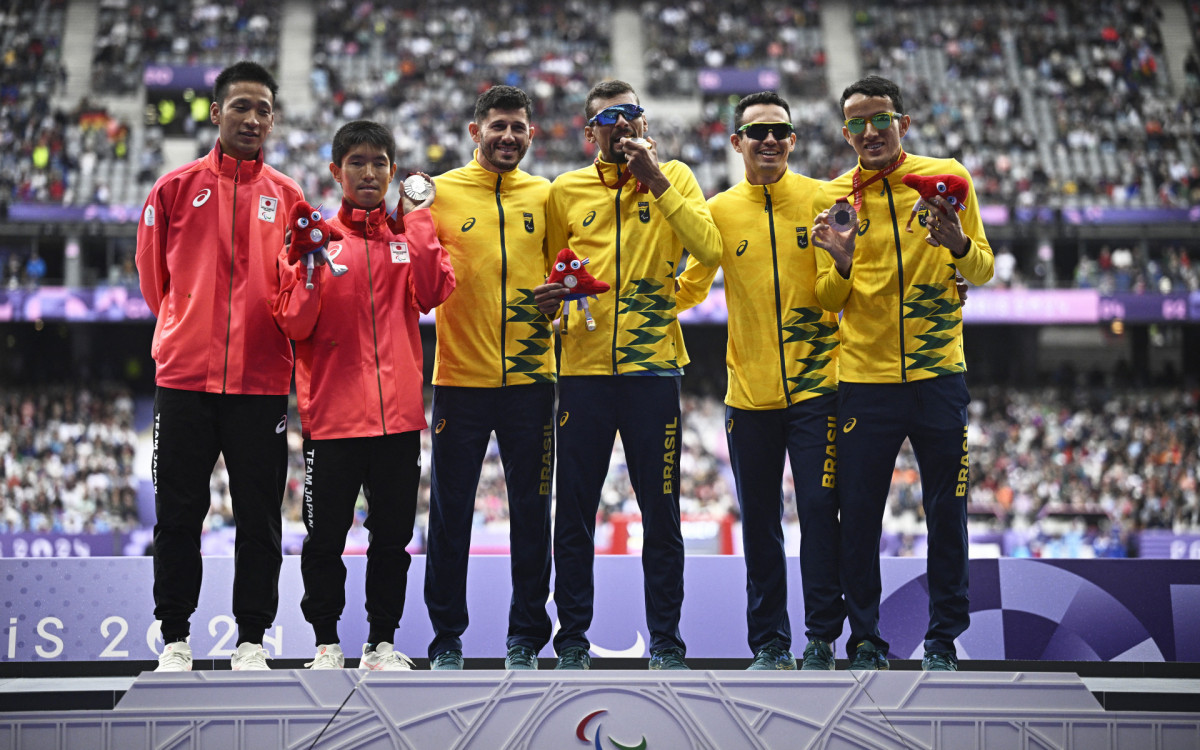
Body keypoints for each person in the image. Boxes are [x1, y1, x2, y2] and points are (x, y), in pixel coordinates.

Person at [534, 80, 722, 671]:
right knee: (575, 514)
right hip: (583, 374)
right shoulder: (565, 190)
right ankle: (571, 642)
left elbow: (709, 249)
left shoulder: (678, 176)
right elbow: (551, 273)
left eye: (631, 116)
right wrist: (551, 304)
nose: (621, 126)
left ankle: (666, 641)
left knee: (661, 513)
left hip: (652, 373)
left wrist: (658, 180)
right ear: (588, 131)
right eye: (607, 119)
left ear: (643, 124)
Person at [811, 75, 994, 672]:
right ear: (845, 132)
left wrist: (960, 246)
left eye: (880, 119)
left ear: (902, 124)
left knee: (948, 508)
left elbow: (985, 269)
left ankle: (943, 639)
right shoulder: (835, 196)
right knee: (859, 514)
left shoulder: (949, 178)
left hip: (940, 374)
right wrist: (839, 262)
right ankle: (864, 637)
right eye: (857, 123)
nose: (870, 132)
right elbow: (827, 296)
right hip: (864, 380)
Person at [136, 61, 304, 672]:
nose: (253, 119)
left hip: (261, 383)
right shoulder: (174, 189)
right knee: (179, 513)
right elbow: (156, 284)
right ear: (215, 112)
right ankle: (175, 637)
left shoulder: (289, 197)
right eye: (241, 106)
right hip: (183, 380)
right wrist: (188, 328)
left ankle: (252, 641)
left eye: (263, 109)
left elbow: (298, 288)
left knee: (259, 519)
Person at [273, 119, 456, 671]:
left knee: (392, 542)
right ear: (336, 172)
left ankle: (383, 643)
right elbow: (293, 323)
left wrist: (419, 218)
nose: (370, 172)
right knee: (324, 540)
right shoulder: (315, 238)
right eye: (357, 162)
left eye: (380, 162)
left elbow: (433, 292)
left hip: (398, 422)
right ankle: (326, 643)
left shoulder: (409, 237)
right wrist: (307, 265)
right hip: (332, 423)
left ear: (393, 171)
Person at [675, 91, 844, 671]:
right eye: (757, 132)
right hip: (747, 398)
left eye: (779, 131)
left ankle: (822, 639)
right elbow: (692, 286)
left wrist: (842, 264)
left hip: (819, 389)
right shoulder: (720, 210)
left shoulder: (824, 197)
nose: (769, 141)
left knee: (822, 515)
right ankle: (770, 645)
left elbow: (835, 292)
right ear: (736, 142)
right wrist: (623, 298)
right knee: (762, 526)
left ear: (793, 140)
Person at [423, 85, 556, 671]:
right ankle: (446, 639)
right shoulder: (438, 193)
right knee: (451, 515)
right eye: (498, 126)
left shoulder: (546, 195)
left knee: (533, 514)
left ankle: (525, 637)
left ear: (531, 135)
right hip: (460, 379)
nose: (508, 136)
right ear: (475, 131)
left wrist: (562, 301)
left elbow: (566, 274)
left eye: (518, 128)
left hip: (533, 381)